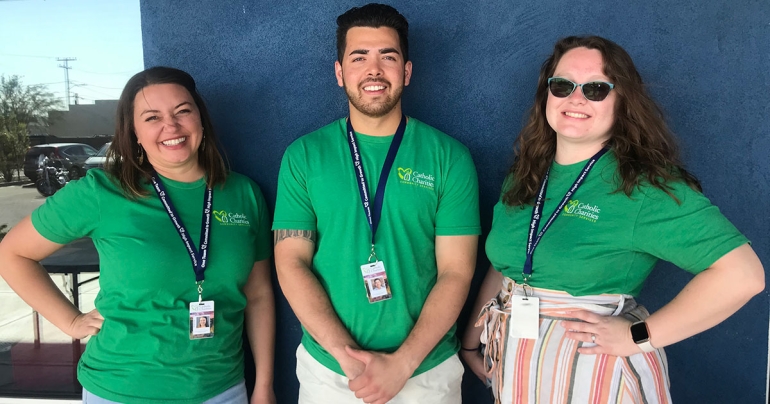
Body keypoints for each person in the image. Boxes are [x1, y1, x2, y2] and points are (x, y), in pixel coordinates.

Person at [461, 35, 765, 404]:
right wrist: (471, 343)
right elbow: (507, 263)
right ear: (547, 94)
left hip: (595, 374)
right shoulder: (526, 174)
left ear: (623, 102)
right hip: (518, 366)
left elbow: (743, 276)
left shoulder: (643, 187)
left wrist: (638, 336)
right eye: (562, 85)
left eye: (596, 89)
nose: (576, 98)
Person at [0, 67, 276, 404]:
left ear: (201, 119)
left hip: (222, 389)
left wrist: (263, 384)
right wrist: (71, 321)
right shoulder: (102, 192)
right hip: (122, 389)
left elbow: (259, 294)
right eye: (152, 117)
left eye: (183, 111)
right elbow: (11, 253)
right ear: (134, 132)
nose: (171, 126)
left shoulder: (244, 193)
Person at [273, 4, 480, 404]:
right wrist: (348, 359)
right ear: (339, 73)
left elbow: (456, 272)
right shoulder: (303, 156)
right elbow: (290, 262)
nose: (374, 69)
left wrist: (402, 364)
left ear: (406, 71)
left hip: (427, 371)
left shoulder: (448, 157)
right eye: (359, 57)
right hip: (330, 372)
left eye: (388, 56)